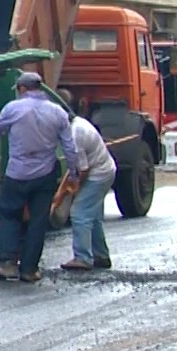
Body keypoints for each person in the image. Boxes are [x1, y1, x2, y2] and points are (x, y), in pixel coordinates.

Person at [0, 71, 83, 283]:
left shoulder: (14, 108)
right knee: (38, 221)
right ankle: (29, 269)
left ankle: (8, 264)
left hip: (17, 173)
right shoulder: (57, 112)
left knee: (10, 215)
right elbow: (69, 147)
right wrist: (74, 174)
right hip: (45, 174)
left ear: (22, 88)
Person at [55, 104, 116, 272]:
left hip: (98, 174)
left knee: (79, 212)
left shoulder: (75, 136)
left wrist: (75, 188)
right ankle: (101, 256)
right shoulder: (78, 123)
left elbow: (82, 170)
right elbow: (74, 168)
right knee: (93, 217)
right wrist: (61, 192)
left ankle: (82, 258)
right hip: (105, 169)